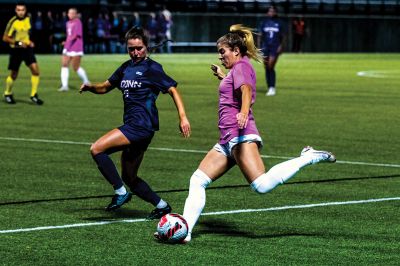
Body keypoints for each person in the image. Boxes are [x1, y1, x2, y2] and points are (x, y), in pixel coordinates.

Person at [177, 24, 335, 243]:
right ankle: (185, 232)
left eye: (223, 52)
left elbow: (246, 90)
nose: (220, 56)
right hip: (228, 138)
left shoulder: (241, 66)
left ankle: (307, 157)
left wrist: (242, 112)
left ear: (235, 50)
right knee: (197, 180)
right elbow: (236, 87)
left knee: (261, 185)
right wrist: (223, 76)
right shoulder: (238, 68)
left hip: (240, 134)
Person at [80, 27, 191, 219]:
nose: (135, 52)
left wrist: (182, 117)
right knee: (129, 177)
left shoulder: (152, 68)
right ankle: (162, 206)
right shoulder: (125, 68)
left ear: (146, 46)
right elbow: (106, 87)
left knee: (97, 149)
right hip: (137, 127)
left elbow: (172, 89)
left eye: (139, 48)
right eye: (131, 48)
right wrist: (91, 87)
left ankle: (120, 193)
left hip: (140, 127)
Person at [3, 3, 43, 105]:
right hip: (16, 50)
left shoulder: (28, 19)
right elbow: (5, 38)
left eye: (22, 10)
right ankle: (8, 93)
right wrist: (19, 43)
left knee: (36, 71)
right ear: (15, 11)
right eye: (18, 10)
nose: (21, 12)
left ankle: (33, 95)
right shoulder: (12, 22)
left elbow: (26, 33)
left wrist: (29, 41)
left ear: (25, 11)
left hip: (27, 50)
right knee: (14, 75)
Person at [59, 8, 90, 92]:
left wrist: (66, 45)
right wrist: (66, 42)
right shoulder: (68, 23)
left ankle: (87, 82)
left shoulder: (78, 22)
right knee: (64, 64)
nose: (70, 14)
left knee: (75, 67)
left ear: (76, 14)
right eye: (69, 13)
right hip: (68, 47)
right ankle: (65, 86)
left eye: (72, 13)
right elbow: (70, 36)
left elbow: (76, 36)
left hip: (76, 48)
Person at [258, 6, 286, 96]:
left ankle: (272, 87)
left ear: (276, 12)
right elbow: (260, 35)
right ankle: (269, 86)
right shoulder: (264, 22)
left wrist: (281, 46)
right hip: (265, 47)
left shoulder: (280, 23)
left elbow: (284, 37)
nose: (271, 13)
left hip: (275, 47)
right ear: (267, 13)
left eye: (273, 11)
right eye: (270, 11)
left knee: (271, 66)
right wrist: (259, 47)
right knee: (266, 67)